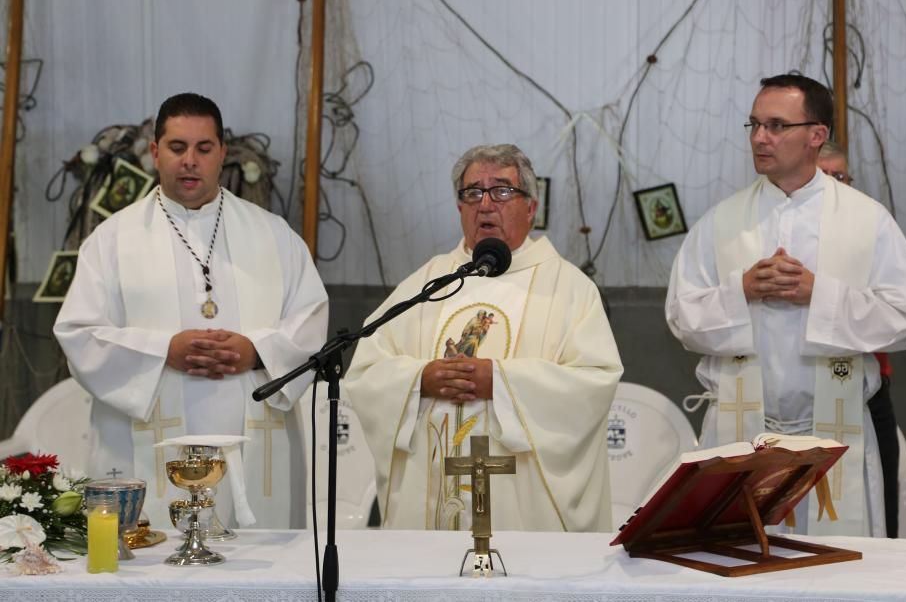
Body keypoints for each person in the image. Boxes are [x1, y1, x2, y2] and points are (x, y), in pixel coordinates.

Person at [665, 74, 906, 536]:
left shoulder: (867, 219)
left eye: (775, 125)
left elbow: (905, 316)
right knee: (736, 562)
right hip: (741, 433)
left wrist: (818, 294)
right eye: (753, 125)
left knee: (834, 572)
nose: (759, 137)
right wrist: (741, 290)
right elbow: (681, 318)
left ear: (816, 135)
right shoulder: (721, 222)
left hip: (833, 437)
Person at [54, 93, 329, 529]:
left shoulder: (274, 236)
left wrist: (256, 351)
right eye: (178, 147)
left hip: (256, 453)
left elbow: (311, 321)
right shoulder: (113, 240)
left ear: (222, 153)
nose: (190, 161)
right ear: (155, 152)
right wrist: (164, 349)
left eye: (204, 148)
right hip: (149, 444)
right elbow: (78, 333)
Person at [345, 144, 623, 532]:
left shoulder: (570, 289)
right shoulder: (427, 283)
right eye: (473, 192)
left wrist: (501, 382)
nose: (486, 204)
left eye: (503, 191)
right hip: (433, 504)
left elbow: (595, 380)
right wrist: (419, 379)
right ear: (460, 207)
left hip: (524, 514)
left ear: (531, 207)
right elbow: (365, 371)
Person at [818, 140, 900, 537]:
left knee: (879, 495)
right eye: (826, 175)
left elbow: (897, 305)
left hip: (866, 388)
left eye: (841, 175)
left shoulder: (869, 226)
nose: (836, 183)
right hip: (808, 388)